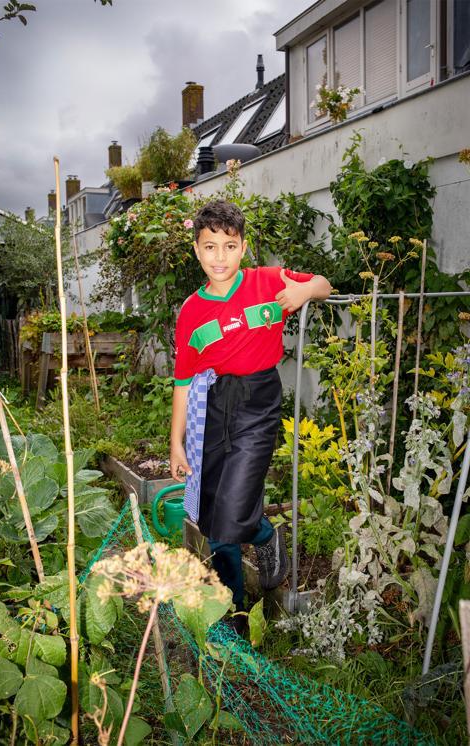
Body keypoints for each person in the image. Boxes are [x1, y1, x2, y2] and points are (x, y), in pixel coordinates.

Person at [169, 200, 331, 635]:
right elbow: (182, 381)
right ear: (196, 250)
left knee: (232, 508)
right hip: (214, 404)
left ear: (243, 247)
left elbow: (324, 283)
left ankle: (261, 541)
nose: (219, 257)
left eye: (229, 246)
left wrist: (303, 292)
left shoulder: (266, 281)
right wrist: (176, 443)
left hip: (259, 402)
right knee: (212, 516)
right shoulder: (192, 311)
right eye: (210, 247)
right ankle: (236, 608)